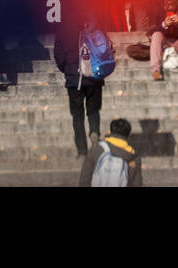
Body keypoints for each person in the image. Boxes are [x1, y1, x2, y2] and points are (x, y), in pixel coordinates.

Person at [53, 16, 104, 158]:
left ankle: (82, 151)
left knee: (77, 116)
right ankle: (94, 133)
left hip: (74, 78)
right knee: (93, 111)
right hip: (94, 77)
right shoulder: (95, 28)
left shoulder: (63, 31)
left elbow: (58, 55)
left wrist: (68, 69)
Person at [79, 117, 143, 187]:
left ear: (110, 131)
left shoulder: (96, 150)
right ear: (128, 135)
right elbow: (137, 184)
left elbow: (84, 180)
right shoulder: (134, 158)